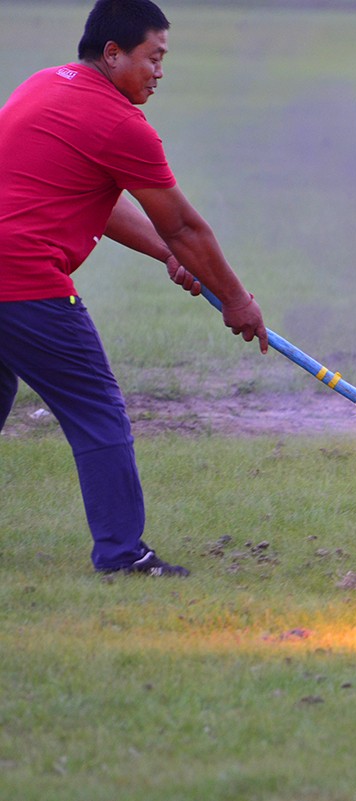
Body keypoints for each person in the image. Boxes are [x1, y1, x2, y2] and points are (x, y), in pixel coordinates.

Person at [0, 0, 268, 576]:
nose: (159, 72)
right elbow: (185, 224)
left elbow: (101, 199)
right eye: (154, 57)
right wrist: (238, 302)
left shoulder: (43, 85)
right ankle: (122, 556)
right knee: (99, 414)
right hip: (23, 282)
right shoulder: (121, 124)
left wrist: (167, 255)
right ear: (113, 53)